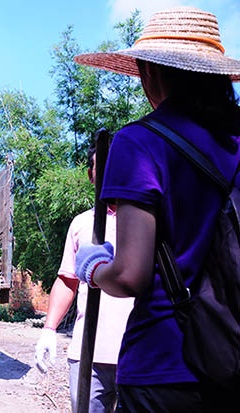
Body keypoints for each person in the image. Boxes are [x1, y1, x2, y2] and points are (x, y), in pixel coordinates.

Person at [73, 7, 240, 412]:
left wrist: (94, 268)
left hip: (164, 363)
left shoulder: (139, 142)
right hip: (233, 361)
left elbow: (129, 275)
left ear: (150, 71)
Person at [34, 141, 133, 412]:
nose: (111, 173)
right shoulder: (81, 223)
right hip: (89, 352)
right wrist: (49, 330)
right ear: (91, 175)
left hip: (139, 351)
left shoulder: (148, 221)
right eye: (103, 167)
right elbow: (68, 280)